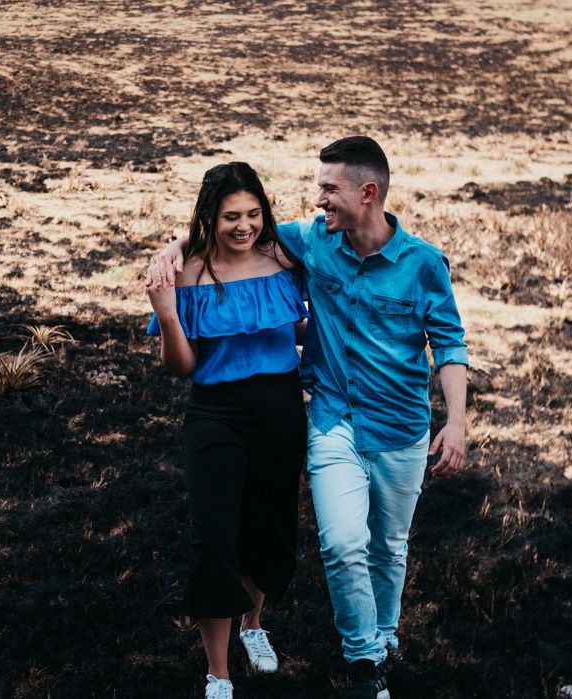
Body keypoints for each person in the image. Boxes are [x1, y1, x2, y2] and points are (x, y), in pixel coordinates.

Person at [148, 136, 469, 699]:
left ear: (367, 193)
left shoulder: (403, 263)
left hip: (356, 420)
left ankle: (353, 635)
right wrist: (175, 251)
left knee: (358, 543)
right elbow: (228, 237)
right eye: (319, 187)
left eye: (328, 188)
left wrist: (458, 421)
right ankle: (341, 665)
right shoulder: (305, 243)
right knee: (312, 544)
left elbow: (447, 342)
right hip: (293, 418)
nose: (318, 199)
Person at [146, 162, 310, 699]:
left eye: (253, 214)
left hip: (281, 409)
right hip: (216, 413)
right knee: (214, 539)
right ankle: (218, 674)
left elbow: (301, 321)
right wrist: (167, 316)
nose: (245, 226)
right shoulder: (188, 271)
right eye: (231, 217)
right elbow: (183, 367)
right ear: (209, 218)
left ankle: (253, 625)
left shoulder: (287, 256)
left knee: (270, 528)